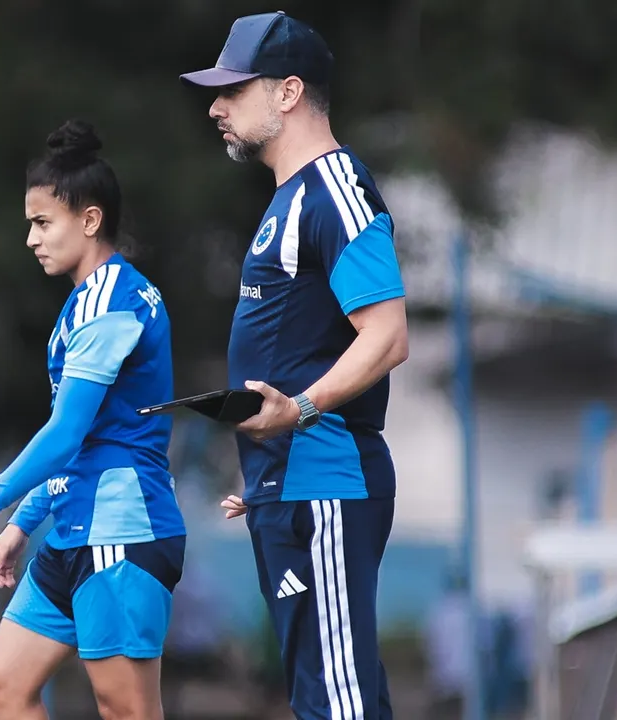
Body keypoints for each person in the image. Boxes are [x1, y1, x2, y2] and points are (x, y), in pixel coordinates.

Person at [181, 12, 410, 720]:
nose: (216, 107)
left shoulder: (334, 189)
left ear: (288, 92)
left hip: (326, 480)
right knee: (331, 696)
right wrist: (265, 473)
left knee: (337, 703)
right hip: (292, 484)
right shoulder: (289, 198)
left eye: (233, 90)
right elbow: (296, 348)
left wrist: (300, 412)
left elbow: (387, 335)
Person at [0, 119, 185, 720]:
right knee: (5, 686)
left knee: (127, 710)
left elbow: (66, 434)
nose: (31, 239)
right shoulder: (86, 300)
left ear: (90, 220)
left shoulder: (111, 302)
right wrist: (24, 522)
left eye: (43, 223)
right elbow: (84, 439)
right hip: (74, 527)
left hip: (120, 531)